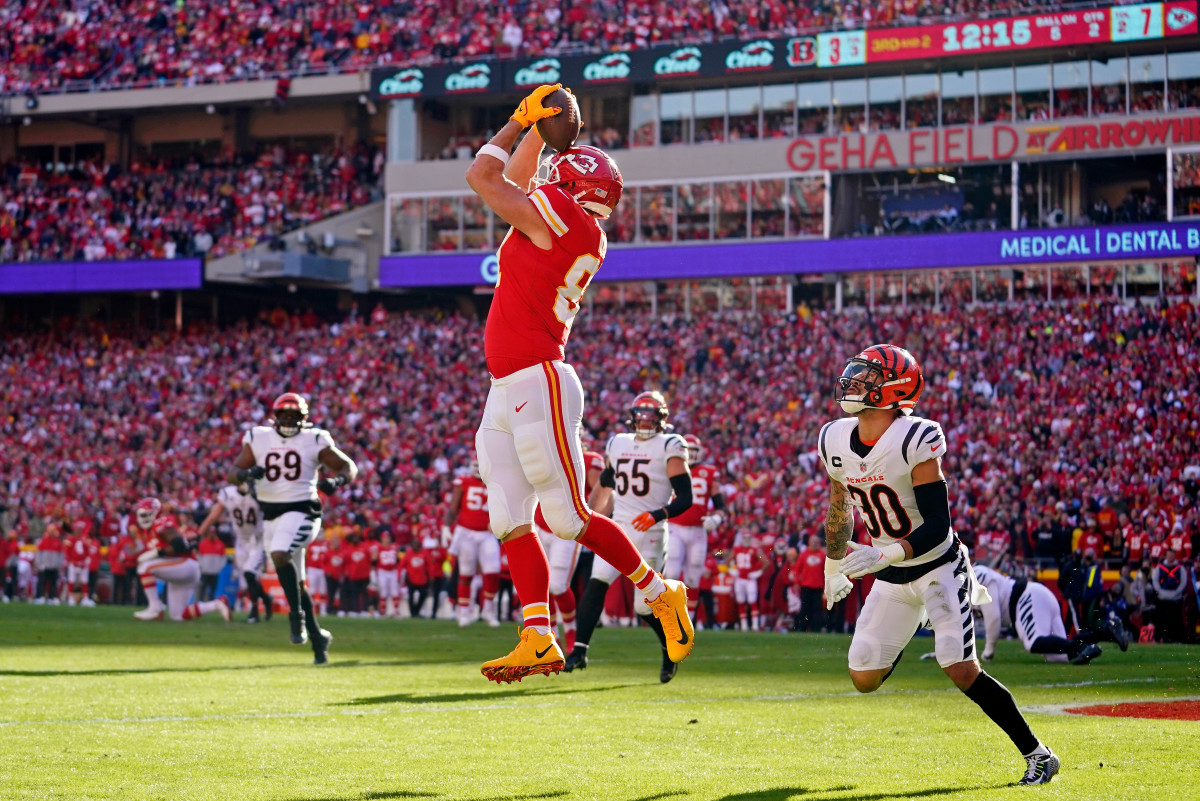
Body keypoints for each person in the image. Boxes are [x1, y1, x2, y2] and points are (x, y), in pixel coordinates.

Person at [464, 83, 692, 683]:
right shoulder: (568, 219)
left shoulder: (566, 218)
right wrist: (541, 125)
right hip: (507, 384)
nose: (547, 179)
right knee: (509, 514)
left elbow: (486, 179)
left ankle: (659, 589)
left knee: (567, 517)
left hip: (538, 378)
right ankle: (539, 636)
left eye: (558, 175)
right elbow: (516, 179)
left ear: (574, 189)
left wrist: (519, 122)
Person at [819, 344, 1059, 786]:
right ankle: (908, 629)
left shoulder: (915, 436)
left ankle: (1039, 755)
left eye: (867, 376)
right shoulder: (833, 436)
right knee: (864, 676)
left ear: (894, 389)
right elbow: (840, 509)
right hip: (889, 575)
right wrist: (834, 565)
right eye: (855, 372)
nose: (853, 381)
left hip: (937, 567)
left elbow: (937, 526)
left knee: (960, 667)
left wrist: (883, 553)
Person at [563, 391, 694, 682]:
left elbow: (686, 497)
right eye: (641, 415)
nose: (645, 421)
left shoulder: (671, 445)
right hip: (619, 526)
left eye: (651, 415)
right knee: (598, 582)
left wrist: (657, 514)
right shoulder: (618, 443)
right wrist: (588, 517)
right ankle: (579, 651)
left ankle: (668, 648)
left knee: (642, 606)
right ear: (632, 416)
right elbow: (607, 483)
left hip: (651, 530)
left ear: (662, 419)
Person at [231, 392, 357, 665]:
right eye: (284, 415)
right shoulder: (258, 437)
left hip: (303, 510)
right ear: (275, 417)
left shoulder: (314, 439)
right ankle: (318, 638)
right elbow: (233, 472)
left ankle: (295, 616)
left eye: (294, 415)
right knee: (297, 584)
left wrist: (337, 481)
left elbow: (348, 466)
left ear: (304, 418)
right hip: (271, 516)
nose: (289, 420)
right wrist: (245, 474)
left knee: (279, 554)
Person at [973, 565, 1128, 665]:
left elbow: (993, 617)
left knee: (1033, 643)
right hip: (1034, 598)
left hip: (1025, 598)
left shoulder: (976, 574)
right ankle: (1108, 630)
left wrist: (988, 652)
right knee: (1057, 657)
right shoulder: (965, 589)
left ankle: (1082, 647)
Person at [534, 447, 604, 650]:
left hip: (565, 529)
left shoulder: (591, 459)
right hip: (540, 524)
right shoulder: (544, 451)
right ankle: (552, 634)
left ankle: (571, 632)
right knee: (542, 584)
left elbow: (599, 493)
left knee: (558, 586)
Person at [130, 497, 231, 623]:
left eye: (146, 515)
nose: (143, 518)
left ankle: (155, 608)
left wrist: (157, 552)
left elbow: (179, 546)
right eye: (141, 515)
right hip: (180, 568)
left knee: (145, 567)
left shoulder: (161, 523)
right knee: (178, 616)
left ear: (156, 513)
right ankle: (218, 604)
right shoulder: (148, 529)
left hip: (186, 564)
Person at [666, 434, 726, 622]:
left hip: (698, 531)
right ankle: (671, 616)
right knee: (672, 573)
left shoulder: (709, 472)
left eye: (694, 450)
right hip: (674, 526)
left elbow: (720, 506)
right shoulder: (671, 467)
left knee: (693, 577)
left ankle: (688, 620)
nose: (691, 454)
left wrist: (716, 518)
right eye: (688, 449)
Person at [197, 482, 270, 622]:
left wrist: (256, 497)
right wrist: (199, 534)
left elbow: (270, 511)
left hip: (258, 539)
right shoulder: (228, 494)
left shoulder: (259, 492)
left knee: (250, 574)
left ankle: (254, 612)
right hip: (241, 541)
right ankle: (266, 599)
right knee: (248, 579)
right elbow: (214, 516)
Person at [445, 459, 501, 627]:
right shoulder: (463, 482)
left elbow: (503, 506)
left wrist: (497, 521)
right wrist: (446, 527)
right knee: (466, 573)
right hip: (466, 533)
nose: (478, 469)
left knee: (493, 572)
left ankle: (488, 610)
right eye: (475, 465)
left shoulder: (495, 482)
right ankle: (463, 612)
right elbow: (454, 507)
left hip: (487, 533)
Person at [728, 530, 766, 631]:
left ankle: (755, 625)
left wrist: (759, 572)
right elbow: (727, 560)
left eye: (748, 538)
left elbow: (765, 561)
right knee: (741, 602)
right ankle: (744, 625)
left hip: (750, 579)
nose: (746, 540)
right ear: (741, 539)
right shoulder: (736, 549)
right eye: (745, 538)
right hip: (739, 579)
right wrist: (731, 569)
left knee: (752, 601)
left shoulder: (756, 550)